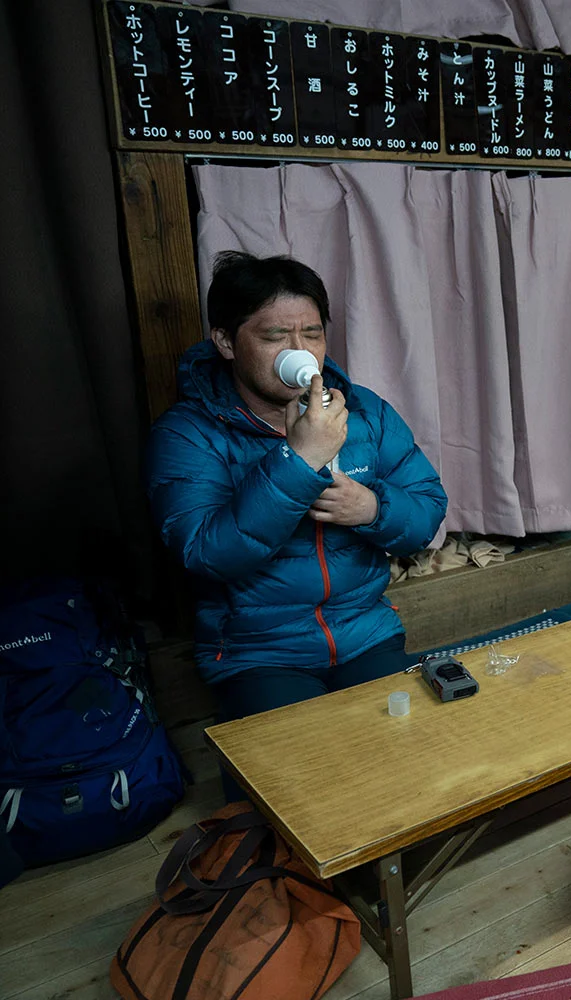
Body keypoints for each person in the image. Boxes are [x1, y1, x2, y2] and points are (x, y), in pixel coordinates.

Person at [146, 252, 447, 733]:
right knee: (300, 763)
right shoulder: (188, 434)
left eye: (312, 333)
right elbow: (206, 552)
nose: (299, 351)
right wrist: (300, 459)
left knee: (414, 747)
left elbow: (427, 509)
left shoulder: (364, 412)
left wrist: (371, 508)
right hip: (257, 654)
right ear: (225, 341)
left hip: (366, 634)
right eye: (274, 336)